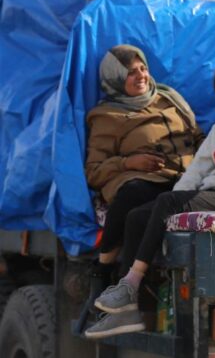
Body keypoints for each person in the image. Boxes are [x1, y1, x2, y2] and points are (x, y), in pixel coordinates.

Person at [84, 37, 215, 339]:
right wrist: (167, 204)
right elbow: (196, 173)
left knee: (166, 203)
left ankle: (131, 283)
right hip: (213, 193)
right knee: (137, 216)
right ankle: (129, 310)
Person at [78, 45, 203, 332]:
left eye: (142, 68)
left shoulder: (170, 98)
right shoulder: (106, 115)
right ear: (115, 79)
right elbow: (94, 172)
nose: (140, 76)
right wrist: (128, 162)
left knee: (142, 216)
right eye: (130, 73)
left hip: (185, 177)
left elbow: (197, 137)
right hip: (142, 181)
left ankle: (124, 299)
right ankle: (103, 272)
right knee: (133, 195)